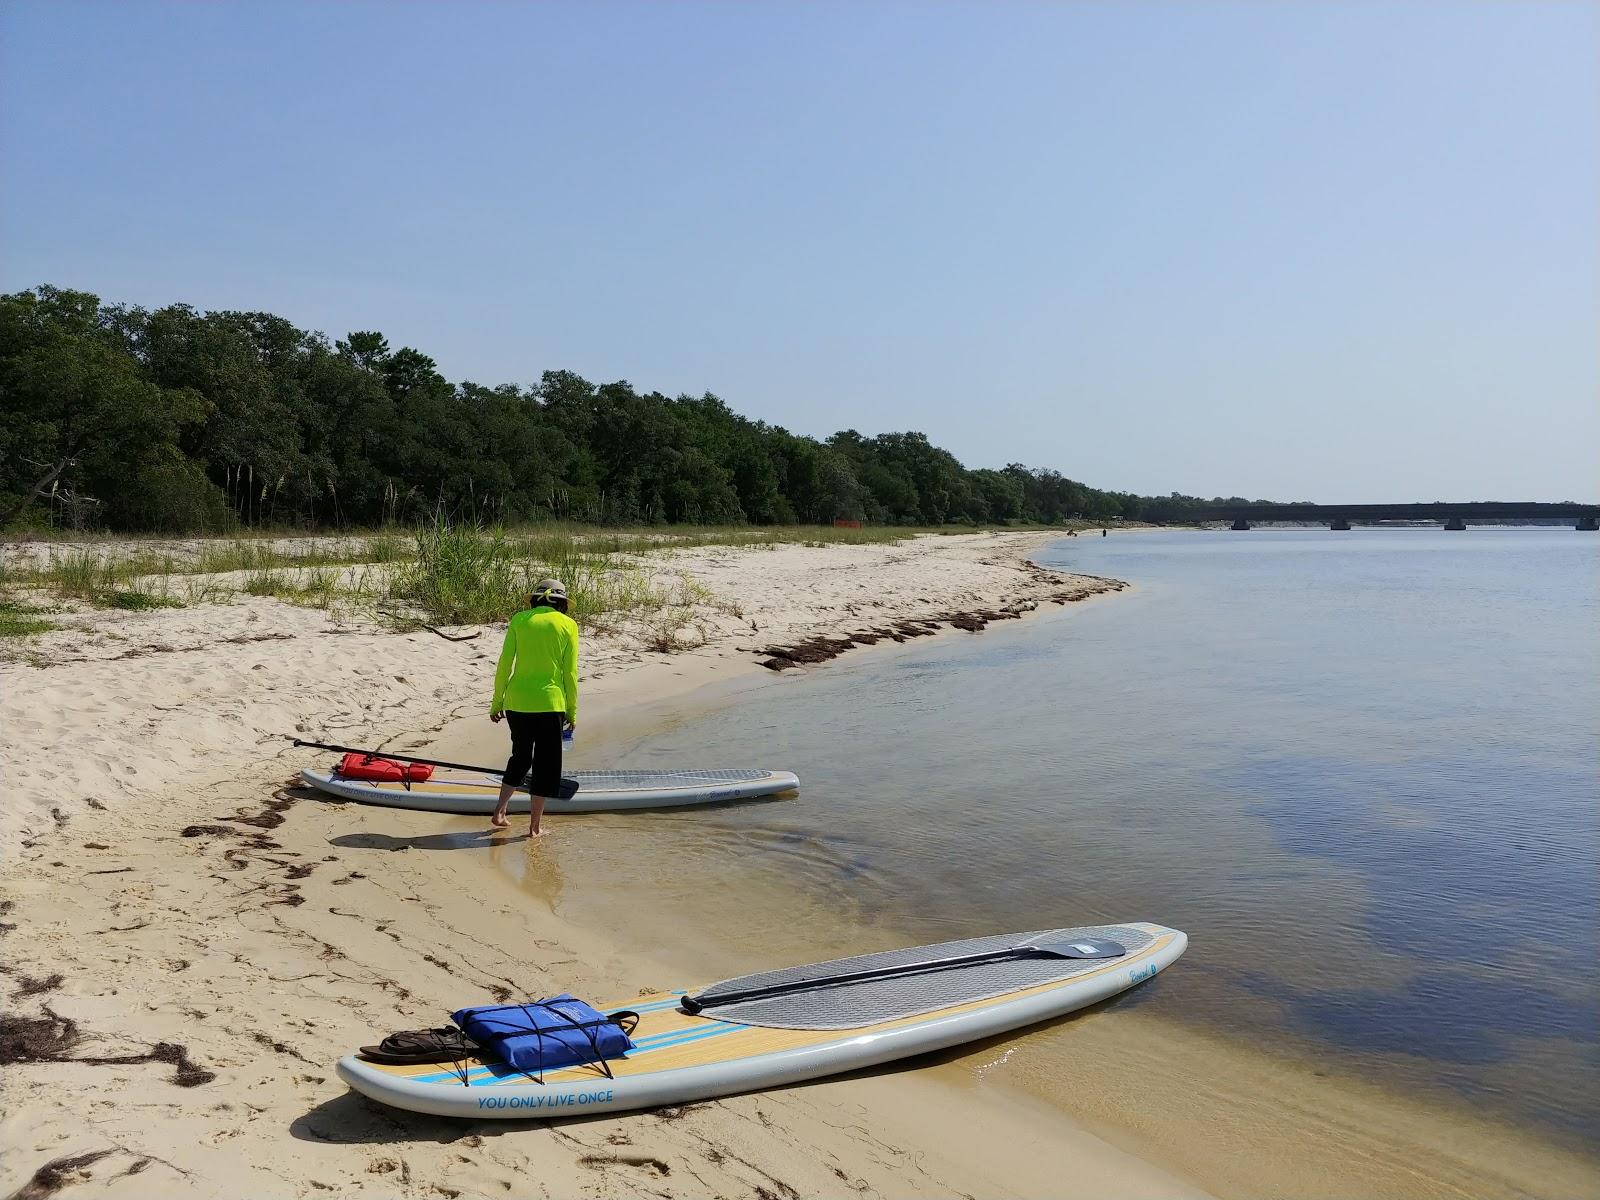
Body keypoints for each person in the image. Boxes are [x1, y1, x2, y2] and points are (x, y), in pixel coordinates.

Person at [489, 579, 578, 836]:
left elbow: (505, 664)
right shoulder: (568, 625)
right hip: (550, 703)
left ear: (535, 600)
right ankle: (534, 827)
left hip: (517, 702)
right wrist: (572, 711)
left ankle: (500, 811)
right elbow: (570, 673)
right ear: (562, 603)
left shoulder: (519, 620)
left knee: (520, 756)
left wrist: (497, 702)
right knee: (546, 764)